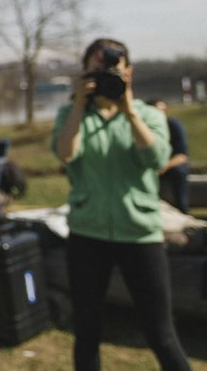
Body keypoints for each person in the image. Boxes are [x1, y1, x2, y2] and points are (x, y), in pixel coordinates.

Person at [52, 38, 190, 371]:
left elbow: (156, 157)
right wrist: (78, 105)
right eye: (96, 68)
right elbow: (66, 154)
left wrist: (128, 110)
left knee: (160, 333)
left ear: (129, 71)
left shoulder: (147, 113)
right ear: (85, 71)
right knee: (87, 331)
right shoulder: (73, 114)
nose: (104, 75)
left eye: (113, 67)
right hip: (88, 232)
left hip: (139, 233)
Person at [149, 98, 191, 214]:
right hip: (151, 166)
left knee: (179, 172)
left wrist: (163, 166)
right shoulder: (145, 127)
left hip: (170, 166)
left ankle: (182, 209)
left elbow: (182, 155)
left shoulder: (174, 125)